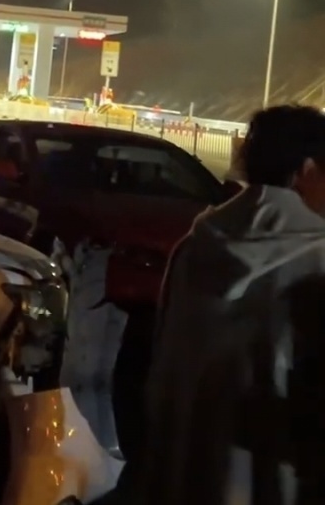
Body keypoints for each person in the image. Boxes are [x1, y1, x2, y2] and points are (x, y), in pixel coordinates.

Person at [127, 105, 325, 505]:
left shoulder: (196, 245)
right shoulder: (318, 257)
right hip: (276, 478)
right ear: (305, 170)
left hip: (189, 471)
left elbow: (163, 361)